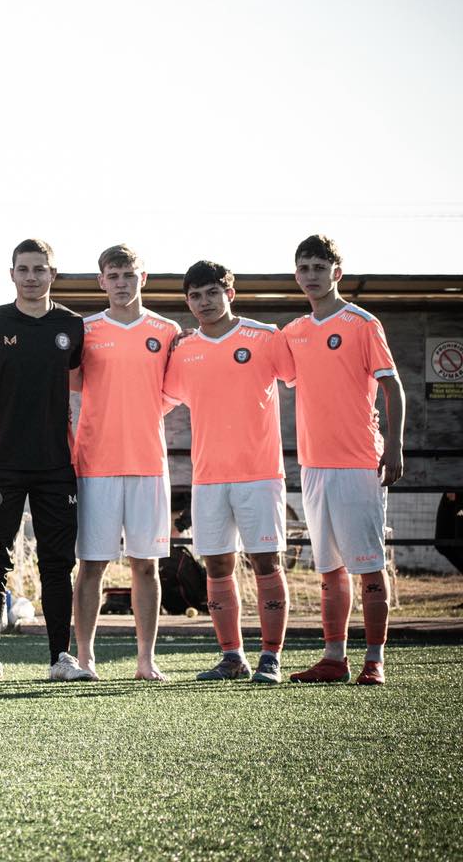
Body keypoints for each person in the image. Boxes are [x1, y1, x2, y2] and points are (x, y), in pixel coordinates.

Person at [162, 260, 294, 683]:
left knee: (265, 562)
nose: (204, 302)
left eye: (212, 293)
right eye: (196, 296)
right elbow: (164, 396)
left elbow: (300, 378)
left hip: (260, 474)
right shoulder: (185, 350)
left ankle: (271, 657)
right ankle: (232, 657)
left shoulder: (265, 337)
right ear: (188, 301)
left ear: (229, 294)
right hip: (208, 476)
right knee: (217, 566)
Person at [282, 234, 405, 685]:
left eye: (319, 267)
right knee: (330, 568)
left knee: (368, 564)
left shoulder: (363, 323)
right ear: (296, 276)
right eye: (303, 268)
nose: (311, 276)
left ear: (337, 271)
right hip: (314, 466)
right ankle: (335, 658)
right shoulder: (294, 332)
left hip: (359, 463)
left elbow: (393, 387)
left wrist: (393, 446)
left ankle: (375, 659)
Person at [0, 239, 89, 681]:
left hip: (57, 463)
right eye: (24, 269)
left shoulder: (71, 326)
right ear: (12, 274)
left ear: (53, 275)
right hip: (0, 458)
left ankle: (61, 657)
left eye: (41, 269)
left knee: (57, 562)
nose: (32, 276)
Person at [71, 245, 181, 681]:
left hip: (148, 464)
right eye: (112, 276)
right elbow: (70, 386)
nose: (121, 283)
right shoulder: (85, 330)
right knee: (92, 565)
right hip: (94, 463)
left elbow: (175, 389)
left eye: (128, 275)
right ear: (101, 281)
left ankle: (145, 660)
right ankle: (84, 658)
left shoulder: (167, 330)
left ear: (143, 278)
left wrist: (144, 413)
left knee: (145, 564)